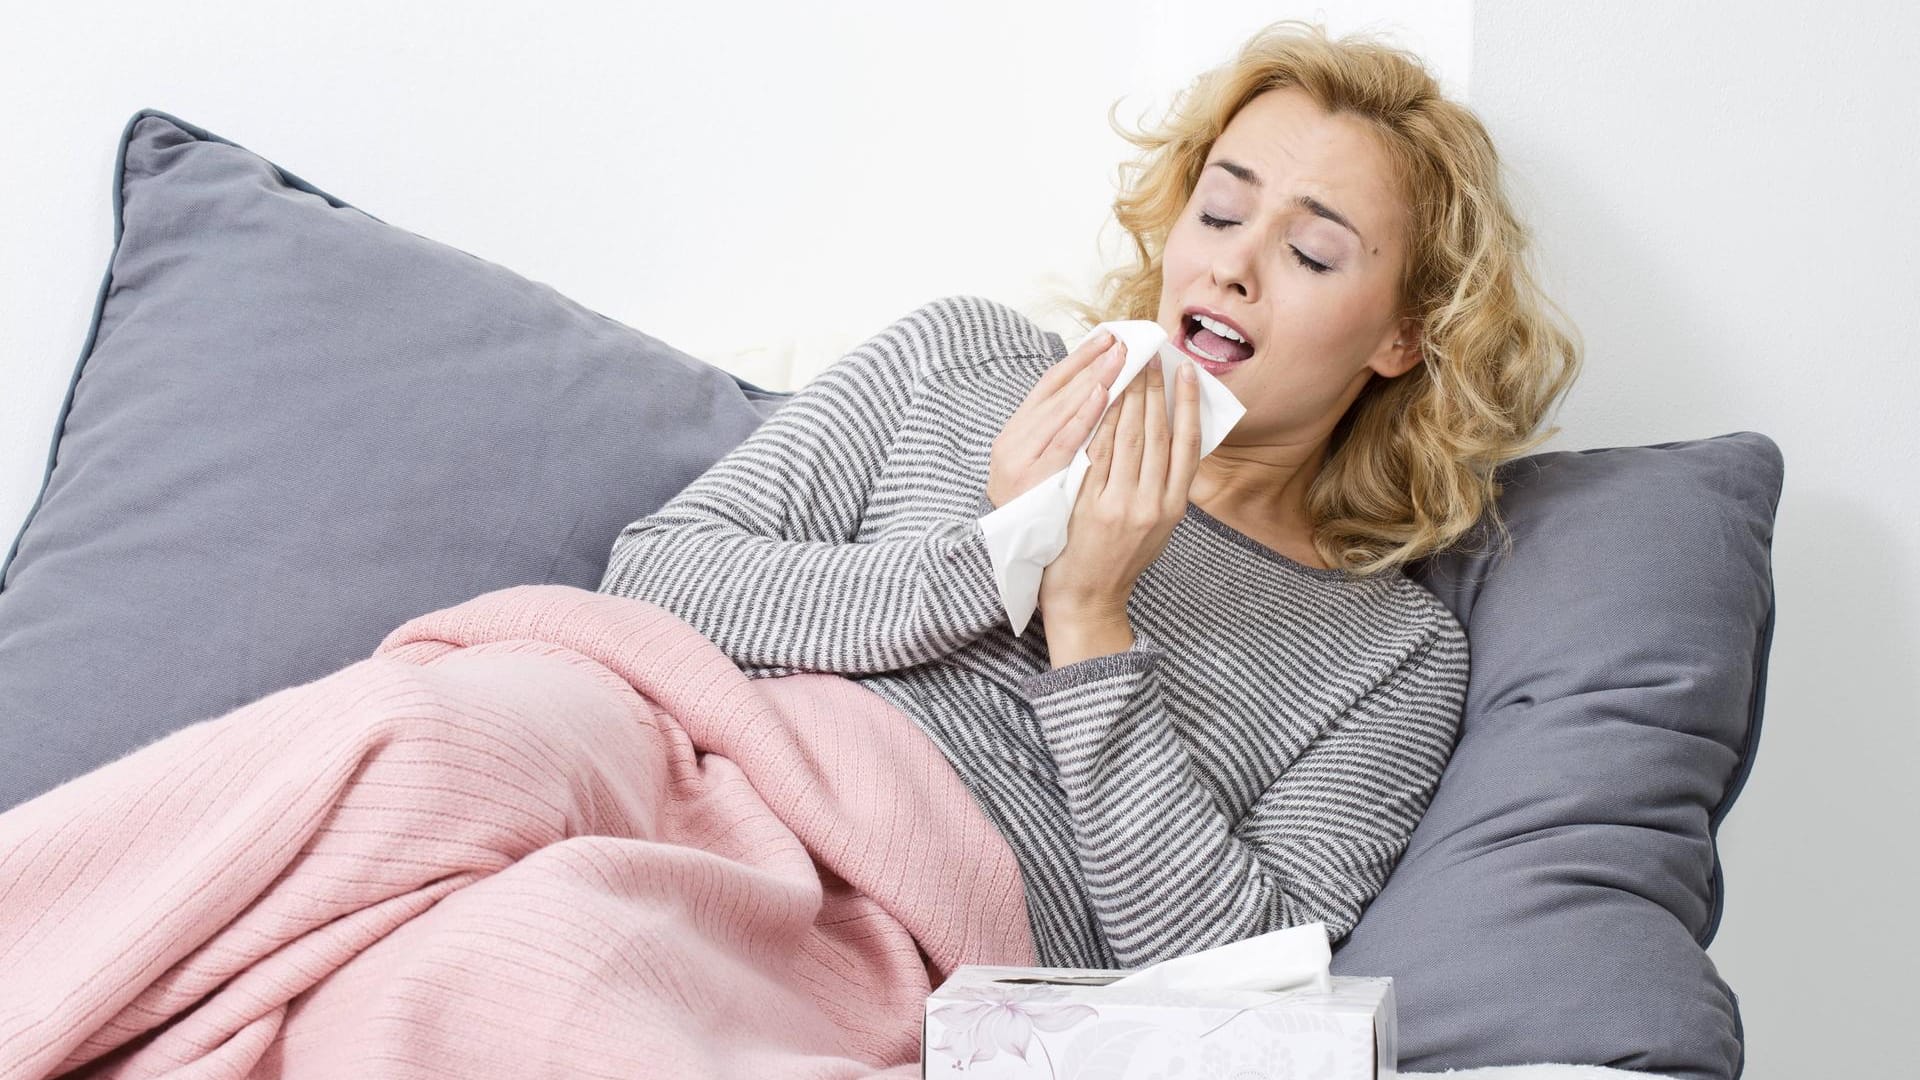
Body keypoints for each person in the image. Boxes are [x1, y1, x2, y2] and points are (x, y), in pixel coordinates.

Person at [596, 19, 1582, 970]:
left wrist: (1090, 617)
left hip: (885, 944)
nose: (1231, 264)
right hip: (660, 787)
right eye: (1222, 212)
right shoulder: (964, 357)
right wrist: (996, 554)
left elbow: (1238, 975)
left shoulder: (1390, 655)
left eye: (1309, 252)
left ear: (1401, 337)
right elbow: (650, 583)